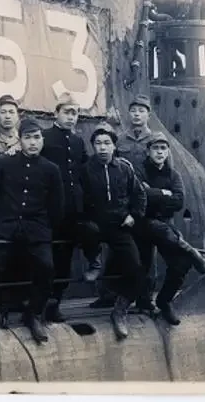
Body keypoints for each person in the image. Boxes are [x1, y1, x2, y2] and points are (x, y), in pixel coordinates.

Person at [0, 118, 65, 343]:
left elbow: (57, 207)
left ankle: (34, 312)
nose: (33, 142)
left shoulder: (51, 169)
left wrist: (46, 229)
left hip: (36, 228)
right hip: (4, 226)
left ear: (42, 140)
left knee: (46, 267)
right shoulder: (3, 163)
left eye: (37, 138)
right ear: (20, 140)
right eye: (28, 138)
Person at [79, 122, 150, 340]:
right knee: (88, 230)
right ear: (93, 146)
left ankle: (120, 309)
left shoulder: (124, 168)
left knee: (136, 269)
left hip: (119, 226)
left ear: (113, 146)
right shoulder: (85, 170)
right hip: (96, 225)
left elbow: (139, 195)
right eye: (98, 143)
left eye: (106, 143)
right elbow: (79, 200)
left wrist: (133, 215)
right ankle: (94, 261)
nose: (102, 147)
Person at [136, 131, 205, 325]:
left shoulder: (173, 175)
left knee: (181, 264)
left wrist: (154, 195)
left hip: (164, 226)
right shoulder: (139, 171)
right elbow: (140, 196)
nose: (159, 152)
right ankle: (191, 251)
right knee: (145, 263)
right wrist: (164, 193)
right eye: (155, 148)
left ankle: (164, 300)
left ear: (168, 151)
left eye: (163, 148)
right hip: (143, 224)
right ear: (148, 151)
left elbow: (178, 202)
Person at [40, 92, 103, 322]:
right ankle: (38, 305)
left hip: (72, 210)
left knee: (65, 259)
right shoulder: (44, 138)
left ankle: (55, 304)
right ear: (56, 113)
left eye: (75, 113)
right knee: (47, 260)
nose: (71, 117)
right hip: (48, 210)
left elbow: (84, 170)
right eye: (67, 112)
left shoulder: (77, 142)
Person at [93, 94, 156, 309]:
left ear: (148, 114)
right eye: (134, 111)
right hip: (121, 207)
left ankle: (144, 298)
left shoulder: (155, 140)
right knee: (117, 253)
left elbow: (165, 170)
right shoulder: (119, 140)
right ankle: (110, 294)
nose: (137, 115)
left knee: (145, 253)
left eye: (141, 111)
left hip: (144, 206)